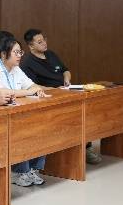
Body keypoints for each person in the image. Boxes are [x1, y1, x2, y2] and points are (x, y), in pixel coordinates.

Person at [20, 28, 102, 165]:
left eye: (44, 40)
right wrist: (54, 89)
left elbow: (65, 70)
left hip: (66, 90)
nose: (44, 43)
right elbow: (32, 86)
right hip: (50, 96)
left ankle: (86, 146)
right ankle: (76, 149)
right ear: (31, 46)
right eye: (40, 42)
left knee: (86, 111)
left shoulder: (51, 54)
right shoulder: (27, 62)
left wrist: (66, 79)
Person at [0, 36, 48, 187]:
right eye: (16, 52)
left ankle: (32, 169)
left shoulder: (16, 68)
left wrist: (35, 90)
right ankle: (19, 172)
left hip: (18, 111)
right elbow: (0, 92)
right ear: (3, 54)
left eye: (21, 52)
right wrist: (28, 92)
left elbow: (33, 86)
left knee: (41, 127)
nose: (20, 55)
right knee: (21, 131)